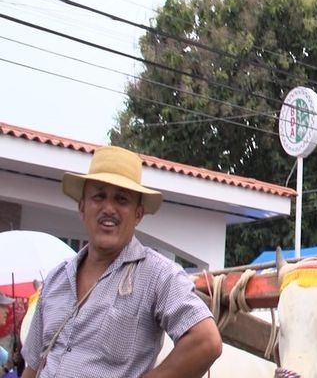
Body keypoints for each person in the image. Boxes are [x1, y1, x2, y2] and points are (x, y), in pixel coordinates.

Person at [21, 146, 222, 378]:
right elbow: (33, 366)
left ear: (138, 214)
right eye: (99, 196)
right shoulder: (57, 278)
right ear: (82, 207)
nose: (109, 208)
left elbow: (206, 341)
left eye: (121, 199)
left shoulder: (158, 275)